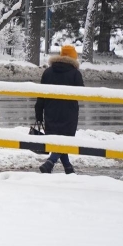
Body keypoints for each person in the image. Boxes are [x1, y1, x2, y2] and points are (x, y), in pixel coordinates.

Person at [35, 45, 84, 174]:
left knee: (57, 140)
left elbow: (41, 94)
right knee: (65, 140)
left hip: (50, 111)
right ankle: (50, 162)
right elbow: (82, 93)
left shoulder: (48, 72)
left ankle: (68, 168)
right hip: (69, 113)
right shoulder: (75, 73)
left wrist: (38, 112)